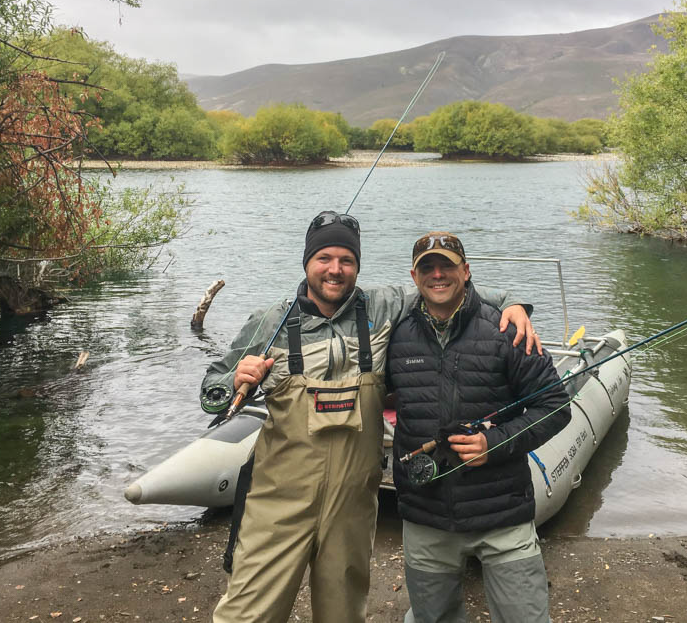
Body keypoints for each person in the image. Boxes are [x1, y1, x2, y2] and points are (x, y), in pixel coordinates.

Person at [199, 211, 539, 623]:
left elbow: (445, 291)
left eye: (347, 260)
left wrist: (513, 304)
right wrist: (233, 380)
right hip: (277, 500)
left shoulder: (385, 305)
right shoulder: (270, 321)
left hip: (353, 502)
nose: (335, 270)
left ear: (357, 266)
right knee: (247, 614)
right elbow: (213, 392)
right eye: (325, 258)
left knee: (343, 613)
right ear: (307, 262)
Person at [387, 231, 571, 623]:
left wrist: (496, 442)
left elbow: (555, 405)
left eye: (447, 266)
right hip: (426, 515)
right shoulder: (393, 335)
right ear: (414, 276)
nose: (438, 275)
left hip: (502, 512)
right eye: (427, 268)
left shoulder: (509, 330)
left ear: (466, 271)